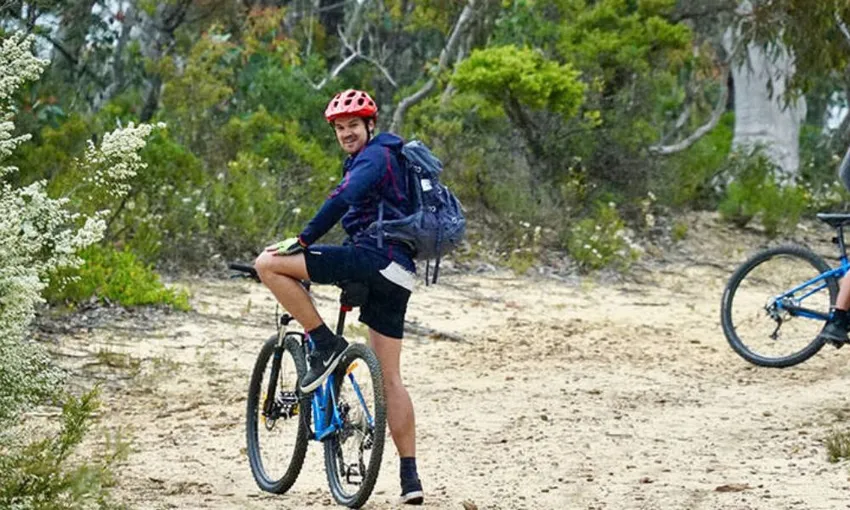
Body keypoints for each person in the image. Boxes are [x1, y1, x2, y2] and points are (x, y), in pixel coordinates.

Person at [253, 89, 424, 505]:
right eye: (340, 127)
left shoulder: (375, 157)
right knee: (390, 377)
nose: (347, 133)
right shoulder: (388, 158)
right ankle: (410, 479)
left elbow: (343, 199)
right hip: (398, 271)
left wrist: (303, 240)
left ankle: (326, 344)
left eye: (354, 125)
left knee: (268, 263)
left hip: (372, 258)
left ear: (371, 125)